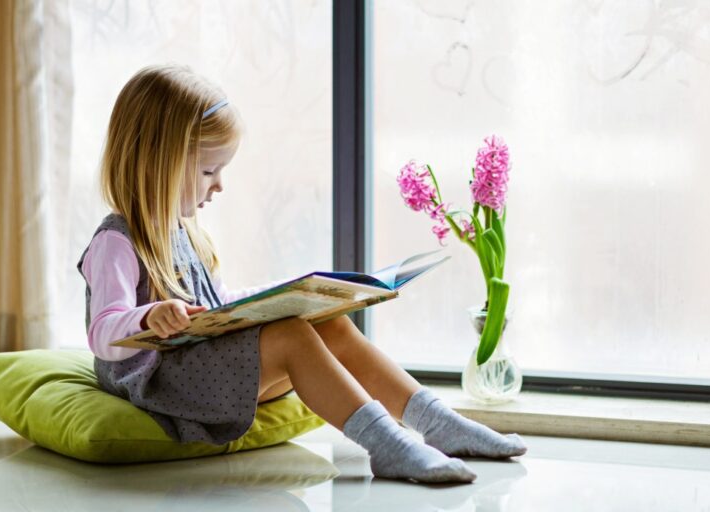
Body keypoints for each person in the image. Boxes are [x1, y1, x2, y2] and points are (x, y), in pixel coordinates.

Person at [76, 64, 527, 484]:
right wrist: (149, 316)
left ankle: (437, 423)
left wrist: (290, 295)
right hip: (161, 385)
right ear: (157, 161)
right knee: (291, 337)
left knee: (325, 322)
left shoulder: (183, 231)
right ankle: (386, 444)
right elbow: (102, 332)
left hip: (199, 372)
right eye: (209, 170)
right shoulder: (116, 239)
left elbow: (214, 309)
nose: (219, 185)